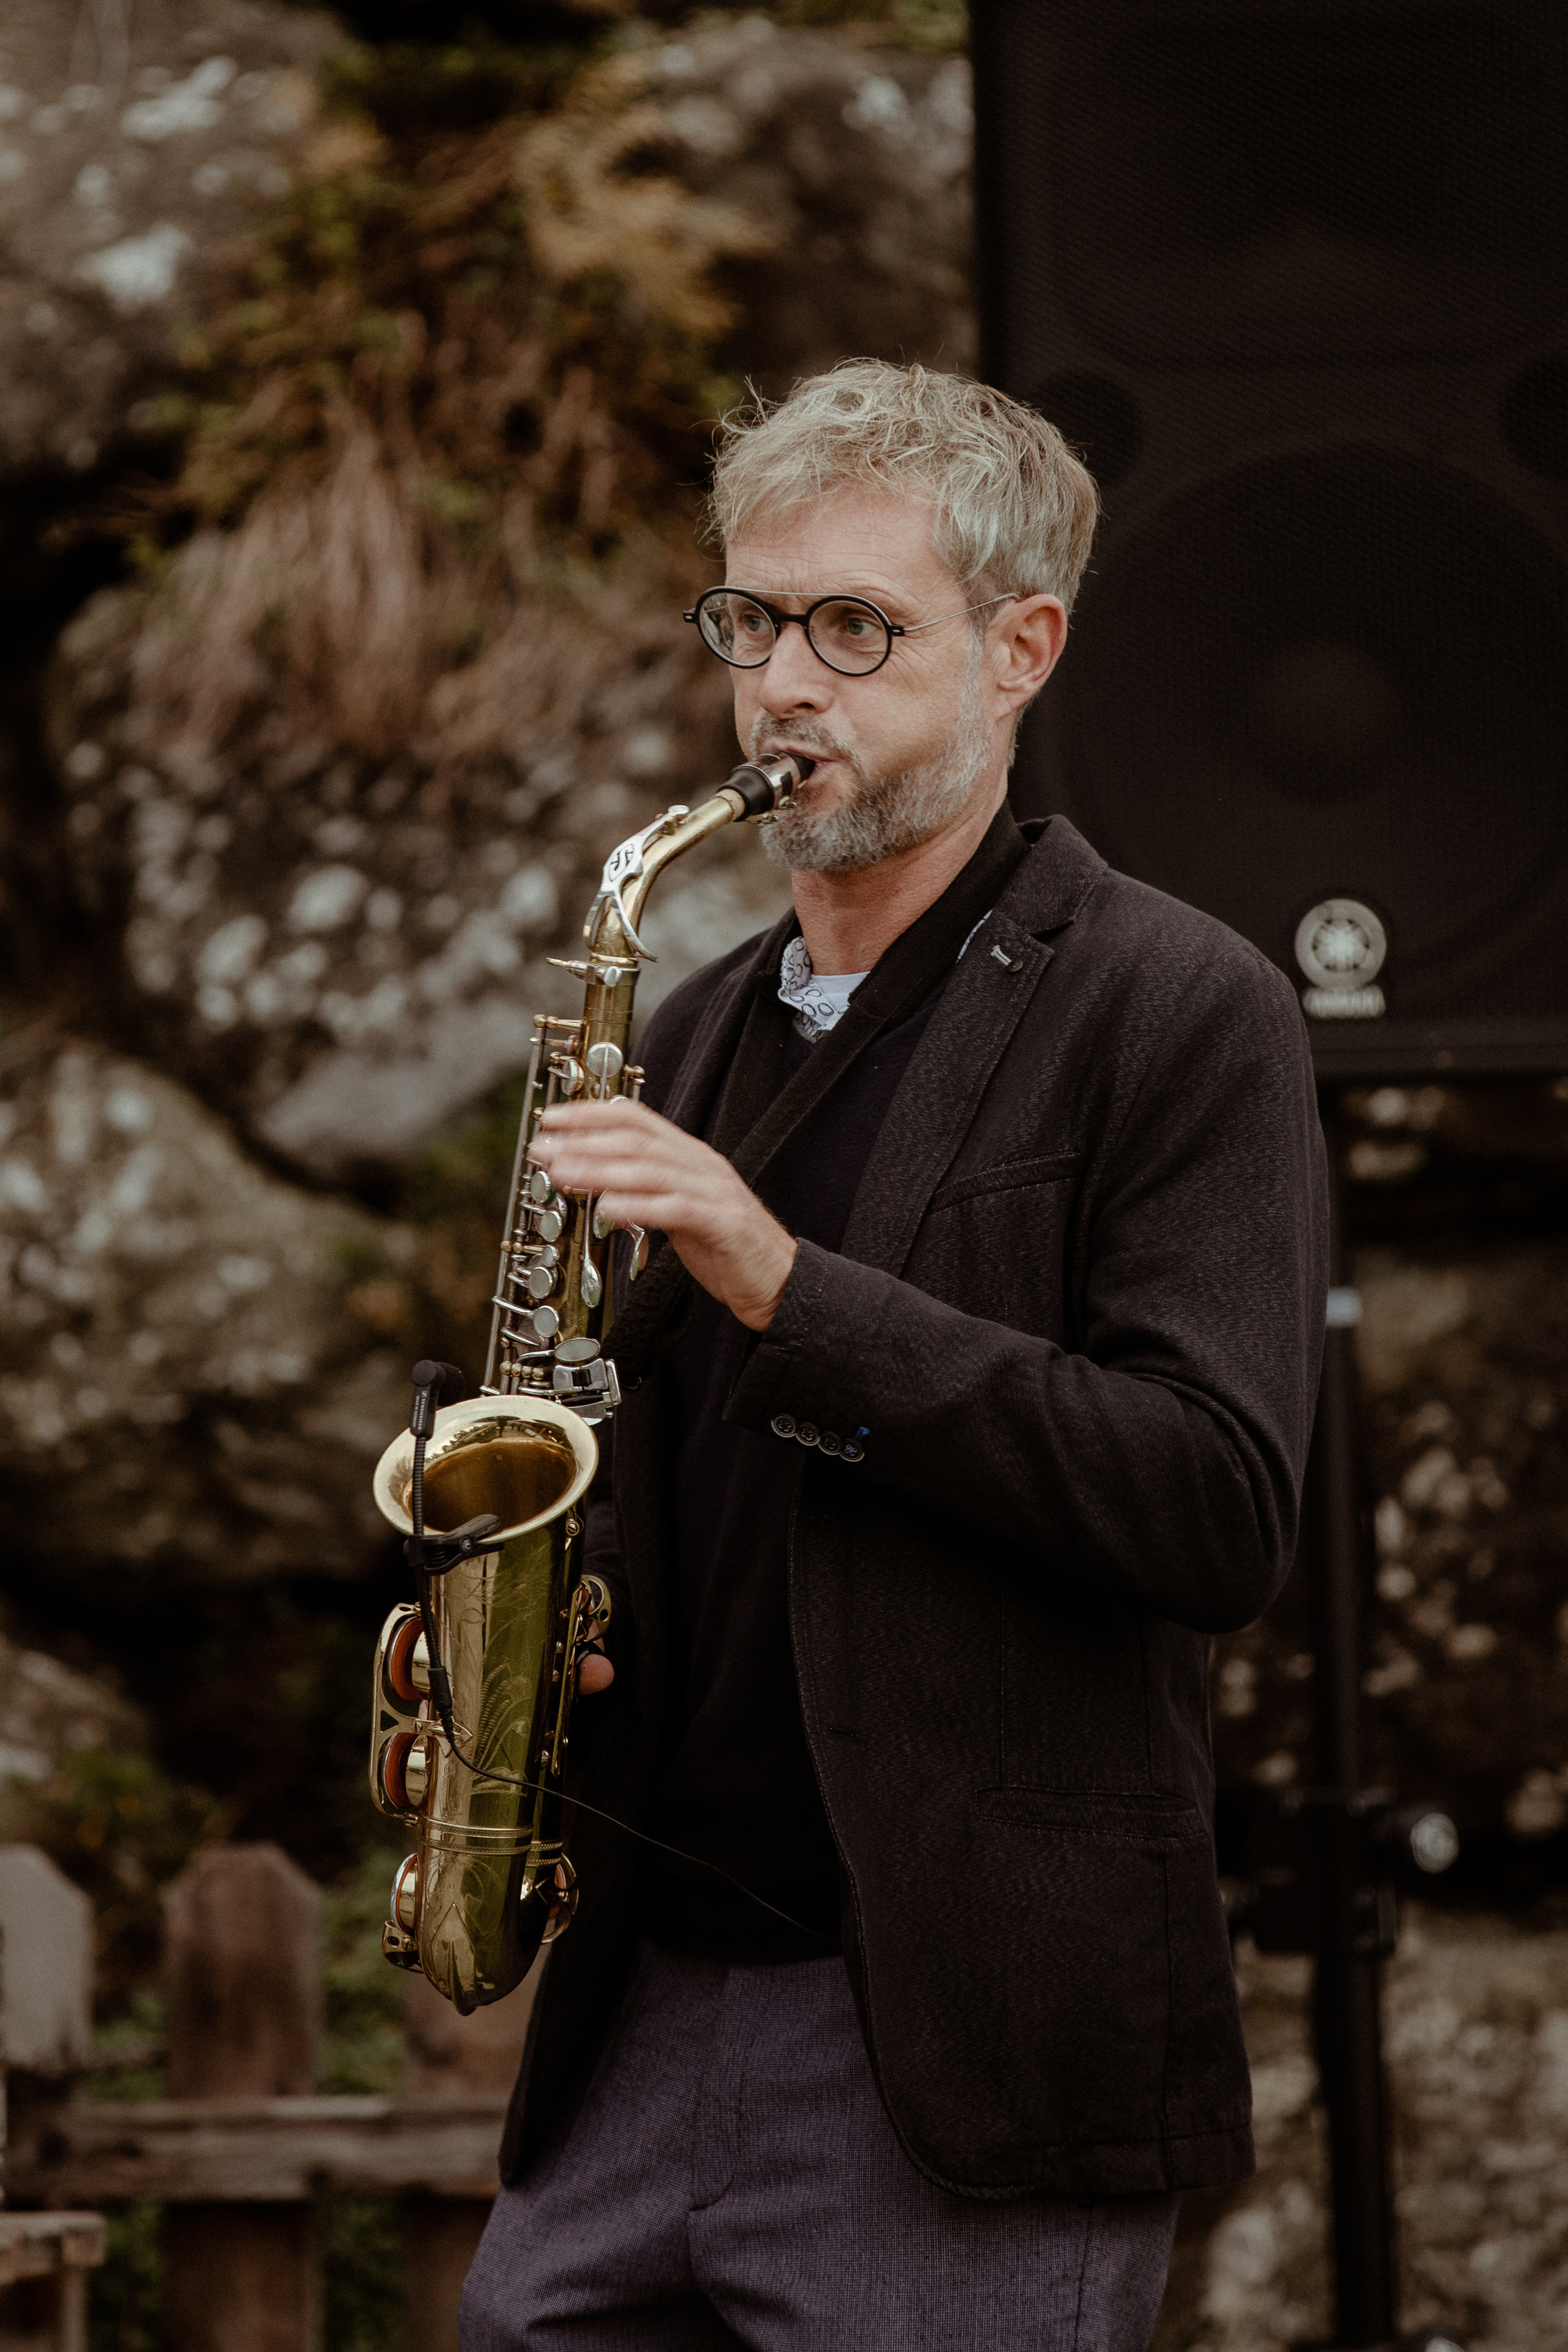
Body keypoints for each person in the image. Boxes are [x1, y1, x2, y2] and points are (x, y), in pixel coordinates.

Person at [461, 361, 1328, 2351]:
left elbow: (1213, 1506)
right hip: (637, 2022)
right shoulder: (682, 1029)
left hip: (953, 2052)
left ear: (1020, 651)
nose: (783, 687)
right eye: (752, 622)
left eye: (856, 628)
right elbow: (590, 1429)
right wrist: (508, 1586)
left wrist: (789, 1286)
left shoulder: (1179, 1010)